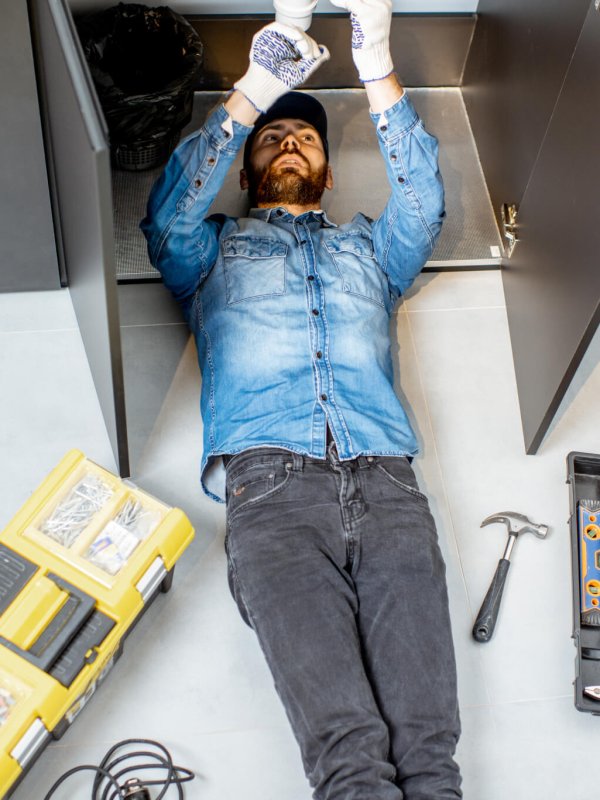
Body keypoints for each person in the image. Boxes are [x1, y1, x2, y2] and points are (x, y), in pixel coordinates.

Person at [141, 1, 462, 797]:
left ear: (325, 169)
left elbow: (422, 204)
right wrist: (254, 87)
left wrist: (376, 63)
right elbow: (166, 217)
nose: (290, 142)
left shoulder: (370, 250)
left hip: (390, 489)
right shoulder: (211, 253)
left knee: (429, 754)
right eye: (273, 140)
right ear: (246, 173)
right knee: (350, 756)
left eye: (306, 137)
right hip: (273, 499)